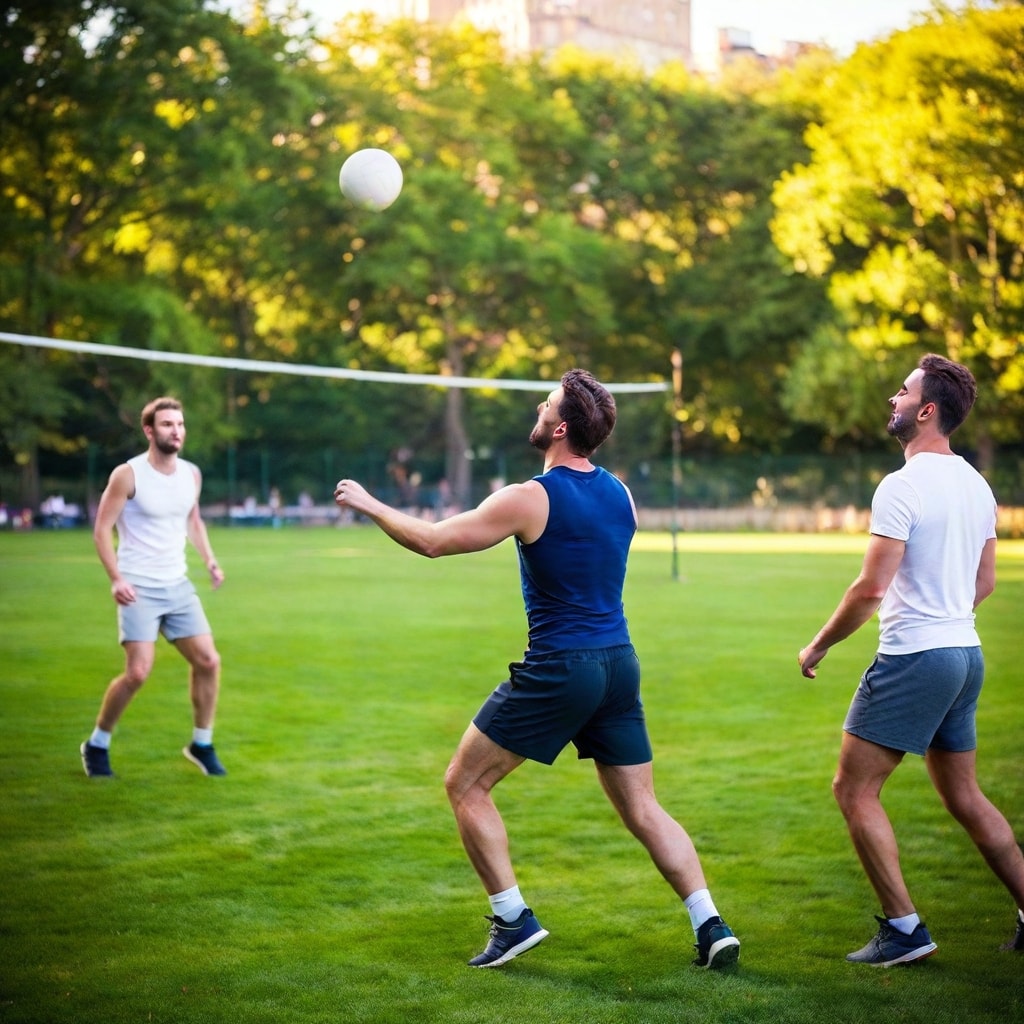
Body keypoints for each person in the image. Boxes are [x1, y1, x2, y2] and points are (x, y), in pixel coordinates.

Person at [334, 369, 739, 970]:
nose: (539, 407)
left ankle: (511, 918)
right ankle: (710, 923)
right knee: (643, 806)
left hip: (563, 666)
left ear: (561, 427)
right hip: (619, 665)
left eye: (546, 403)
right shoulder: (621, 493)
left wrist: (368, 502)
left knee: (464, 784)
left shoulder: (531, 496)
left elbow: (435, 542)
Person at [798, 354, 1024, 965]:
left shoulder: (901, 486)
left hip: (916, 658)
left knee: (854, 789)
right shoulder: (977, 482)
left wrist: (818, 644)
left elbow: (870, 590)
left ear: (926, 410)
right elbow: (986, 583)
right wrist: (944, 607)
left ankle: (904, 931)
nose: (891, 400)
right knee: (966, 796)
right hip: (964, 654)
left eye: (902, 392)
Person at [81, 397, 227, 778]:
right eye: (166, 424)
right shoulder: (128, 475)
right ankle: (97, 743)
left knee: (209, 661)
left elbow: (193, 520)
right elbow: (101, 530)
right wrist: (116, 579)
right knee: (138, 672)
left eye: (179, 424)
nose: (175, 430)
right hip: (138, 586)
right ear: (149, 430)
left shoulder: (191, 474)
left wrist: (209, 559)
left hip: (176, 584)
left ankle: (202, 743)